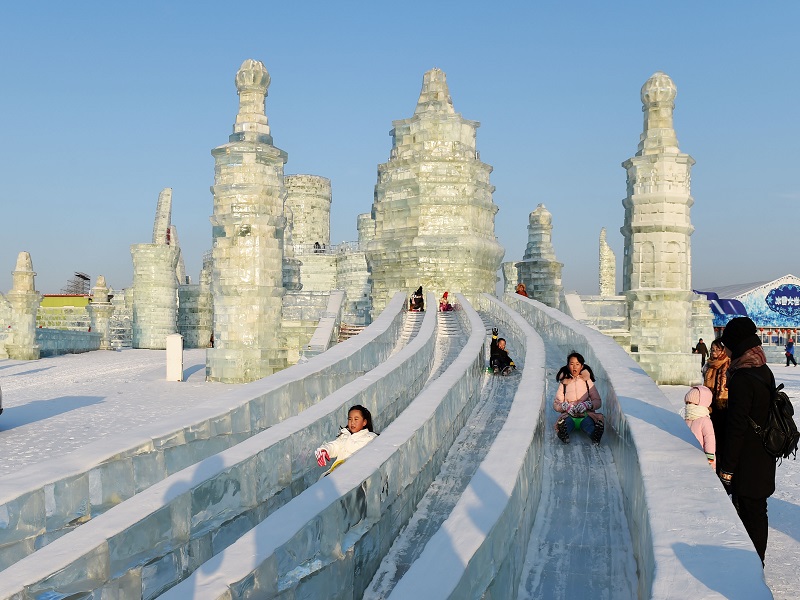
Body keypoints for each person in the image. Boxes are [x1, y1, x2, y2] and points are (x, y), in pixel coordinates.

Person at [718, 316, 776, 566]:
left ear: (737, 344)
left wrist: (727, 468)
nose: (724, 349)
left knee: (747, 511)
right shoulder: (763, 369)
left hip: (747, 460)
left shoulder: (742, 377)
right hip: (764, 453)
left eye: (727, 344)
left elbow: (737, 426)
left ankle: (752, 567)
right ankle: (756, 563)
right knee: (757, 510)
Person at [553, 352, 604, 444]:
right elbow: (556, 404)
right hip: (569, 415)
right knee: (567, 424)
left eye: (577, 364)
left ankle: (595, 435)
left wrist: (588, 404)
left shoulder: (587, 382)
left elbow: (598, 401)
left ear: (582, 366)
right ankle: (563, 433)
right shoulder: (564, 383)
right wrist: (565, 406)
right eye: (572, 364)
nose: (574, 367)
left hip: (585, 414)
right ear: (568, 366)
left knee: (588, 424)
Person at [315, 405, 377, 471]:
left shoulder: (370, 437)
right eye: (350, 419)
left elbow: (354, 448)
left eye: (356, 419)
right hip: (337, 471)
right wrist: (325, 449)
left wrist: (347, 436)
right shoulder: (345, 435)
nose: (352, 422)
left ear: (364, 422)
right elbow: (335, 445)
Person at [703, 339, 729, 473]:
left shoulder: (728, 364)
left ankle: (722, 468)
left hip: (724, 407)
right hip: (710, 406)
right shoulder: (709, 365)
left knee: (722, 439)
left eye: (716, 349)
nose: (713, 352)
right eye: (712, 349)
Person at [683, 385, 716, 470]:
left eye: (692, 403)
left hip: (703, 461)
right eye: (687, 403)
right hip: (688, 459)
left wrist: (710, 459)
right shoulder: (687, 419)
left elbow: (709, 440)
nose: (688, 406)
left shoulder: (705, 420)